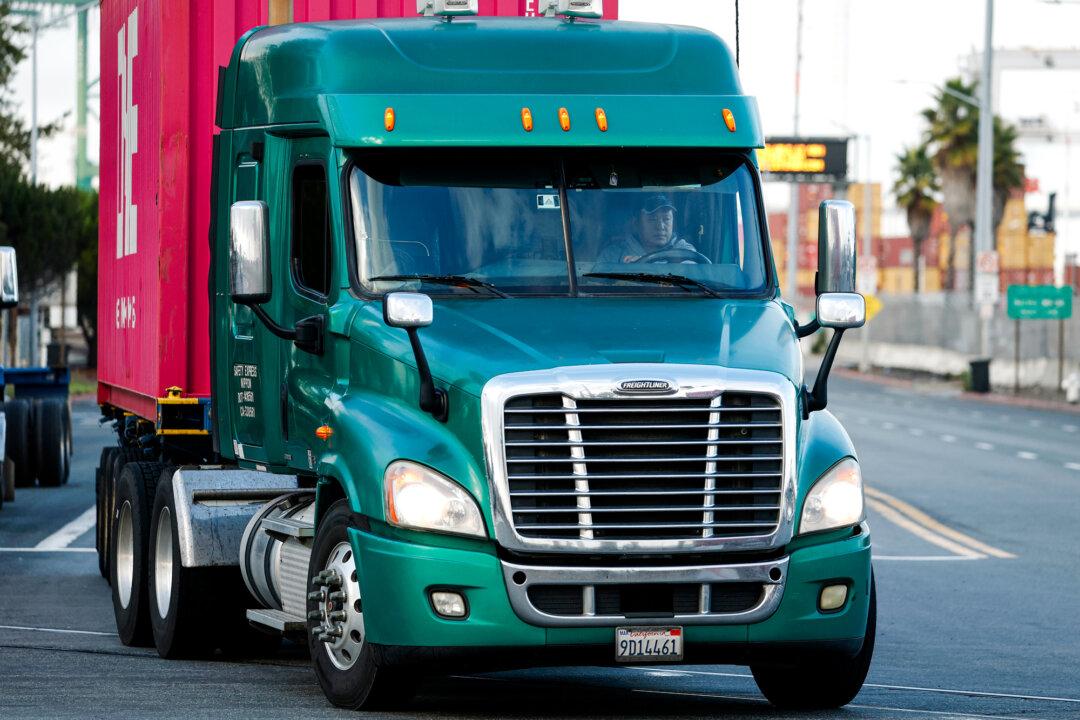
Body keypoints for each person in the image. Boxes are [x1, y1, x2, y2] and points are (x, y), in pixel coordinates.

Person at [596, 194, 698, 264]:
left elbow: (691, 275)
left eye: (666, 219)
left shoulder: (684, 250)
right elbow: (595, 285)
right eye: (652, 219)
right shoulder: (613, 254)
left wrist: (645, 266)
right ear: (636, 223)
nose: (661, 226)